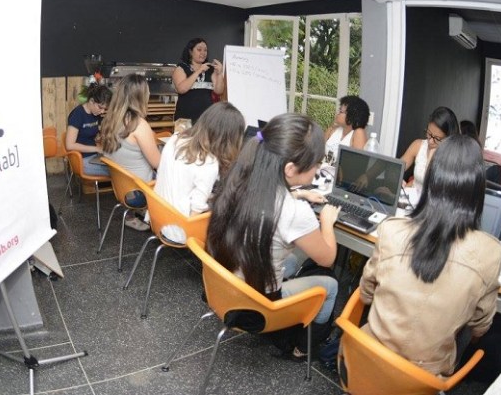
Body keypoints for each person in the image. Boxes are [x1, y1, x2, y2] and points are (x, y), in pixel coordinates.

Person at [359, 134, 501, 376]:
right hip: (425, 379)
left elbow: (366, 294)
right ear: (477, 189)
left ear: (431, 179)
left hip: (370, 360)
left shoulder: (391, 230)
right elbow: (480, 326)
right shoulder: (491, 253)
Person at [207, 113, 341, 357]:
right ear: (290, 169)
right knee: (330, 285)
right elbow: (327, 258)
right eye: (316, 164)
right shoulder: (295, 211)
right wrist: (327, 222)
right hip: (259, 308)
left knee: (295, 258)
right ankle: (303, 348)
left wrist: (298, 194)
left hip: (224, 290)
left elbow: (273, 201)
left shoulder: (238, 181)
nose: (317, 171)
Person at [154, 102, 245, 217]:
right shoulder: (209, 163)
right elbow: (195, 212)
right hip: (179, 224)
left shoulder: (175, 138)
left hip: (157, 212)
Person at [100, 73, 162, 231]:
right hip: (141, 192)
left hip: (123, 189)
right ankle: (170, 226)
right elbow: (158, 164)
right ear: (141, 96)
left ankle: (142, 213)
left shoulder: (110, 119)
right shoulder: (140, 125)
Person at [400, 106, 459, 191]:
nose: (430, 141)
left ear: (449, 139)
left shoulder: (454, 158)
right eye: (429, 134)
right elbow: (397, 169)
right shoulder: (418, 145)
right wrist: (400, 183)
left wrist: (431, 157)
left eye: (437, 138)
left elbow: (435, 188)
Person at [172, 38, 225, 123]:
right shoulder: (181, 68)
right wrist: (199, 71)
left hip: (207, 118)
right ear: (190, 51)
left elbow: (219, 91)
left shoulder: (210, 69)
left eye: (205, 50)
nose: (203, 53)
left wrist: (219, 73)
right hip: (185, 118)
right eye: (199, 50)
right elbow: (181, 89)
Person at [64, 84, 112, 176]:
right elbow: (69, 145)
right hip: (81, 160)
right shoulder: (78, 114)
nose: (102, 111)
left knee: (120, 166)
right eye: (100, 107)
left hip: (94, 156)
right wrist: (97, 148)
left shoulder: (95, 114)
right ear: (91, 101)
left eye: (105, 109)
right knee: (117, 172)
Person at [323, 95, 370, 161]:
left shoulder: (359, 132)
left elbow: (357, 161)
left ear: (352, 116)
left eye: (341, 112)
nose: (337, 114)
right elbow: (319, 150)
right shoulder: (334, 128)